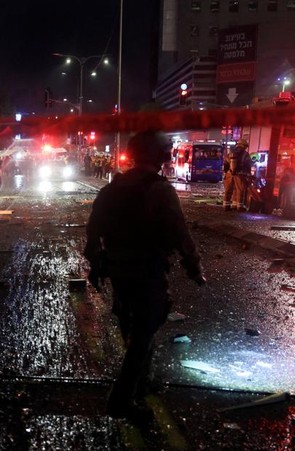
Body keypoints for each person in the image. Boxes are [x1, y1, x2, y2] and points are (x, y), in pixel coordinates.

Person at [84, 130, 206, 420]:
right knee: (144, 330)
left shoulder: (112, 188)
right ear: (160, 156)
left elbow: (93, 233)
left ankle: (141, 385)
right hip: (147, 269)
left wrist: (96, 266)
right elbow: (180, 233)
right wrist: (194, 267)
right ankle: (122, 399)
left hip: (118, 269)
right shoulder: (160, 190)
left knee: (134, 325)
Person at [224, 139, 253, 211]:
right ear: (243, 146)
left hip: (229, 174)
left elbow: (226, 163)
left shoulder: (231, 153)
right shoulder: (245, 154)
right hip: (240, 175)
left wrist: (227, 172)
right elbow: (248, 165)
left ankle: (226, 206)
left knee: (228, 190)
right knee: (240, 190)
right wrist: (248, 174)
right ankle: (240, 207)